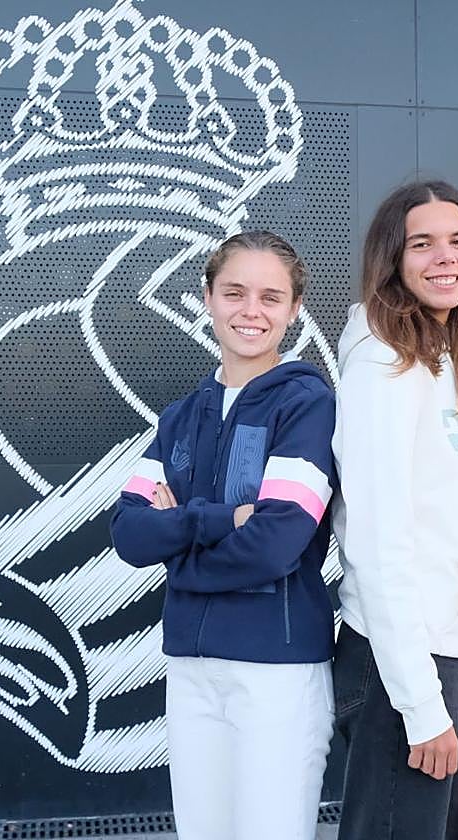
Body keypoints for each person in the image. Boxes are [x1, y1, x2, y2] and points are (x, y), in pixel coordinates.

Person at [110, 231, 336, 840]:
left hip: (276, 671)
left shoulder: (307, 406)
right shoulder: (180, 417)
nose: (251, 311)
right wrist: (215, 519)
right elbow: (130, 534)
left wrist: (180, 555)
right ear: (207, 298)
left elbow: (276, 542)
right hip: (191, 669)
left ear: (293, 309)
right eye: (234, 292)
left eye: (270, 297)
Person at [331, 181, 458, 840]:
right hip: (400, 663)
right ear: (393, 260)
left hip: (452, 656)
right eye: (422, 244)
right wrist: (419, 702)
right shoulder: (383, 366)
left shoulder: (455, 365)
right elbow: (376, 542)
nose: (446, 258)